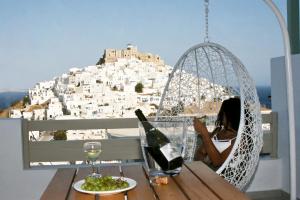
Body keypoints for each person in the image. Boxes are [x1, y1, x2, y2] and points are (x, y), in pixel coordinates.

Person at [193, 97, 241, 168]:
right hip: (205, 171)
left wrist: (204, 132)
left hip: (219, 176)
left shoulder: (239, 139)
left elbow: (218, 162)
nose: (221, 115)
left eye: (223, 113)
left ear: (231, 115)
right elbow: (200, 153)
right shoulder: (218, 130)